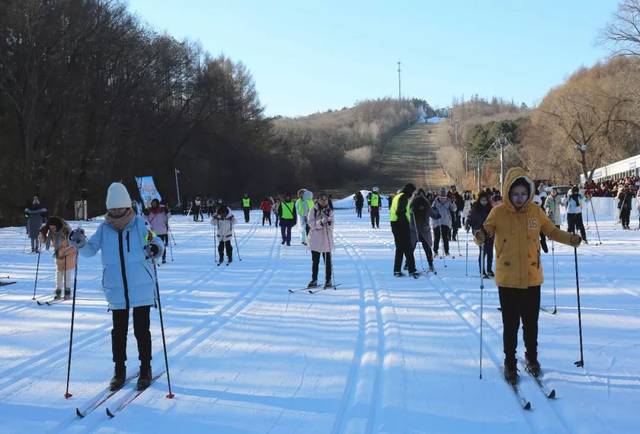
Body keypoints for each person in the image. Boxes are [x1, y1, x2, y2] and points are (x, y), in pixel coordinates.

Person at [474, 168, 581, 385]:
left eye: (523, 193)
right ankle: (510, 362)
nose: (519, 198)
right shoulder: (498, 212)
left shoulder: (535, 211)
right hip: (508, 278)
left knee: (531, 323)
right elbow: (486, 231)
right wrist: (480, 236)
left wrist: (570, 238)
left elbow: (551, 231)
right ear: (508, 193)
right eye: (515, 194)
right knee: (510, 324)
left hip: (532, 277)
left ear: (529, 192)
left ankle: (531, 358)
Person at [68, 182, 165, 392]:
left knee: (141, 330)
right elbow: (90, 250)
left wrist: (155, 248)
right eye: (113, 210)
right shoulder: (104, 228)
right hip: (116, 288)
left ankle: (145, 368)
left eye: (120, 209)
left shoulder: (140, 224)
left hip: (141, 287)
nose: (117, 213)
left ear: (127, 207)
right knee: (118, 332)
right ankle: (119, 370)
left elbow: (156, 241)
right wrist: (80, 243)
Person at [39, 216, 77, 299]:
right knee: (59, 274)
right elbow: (44, 241)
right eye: (50, 227)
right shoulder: (51, 233)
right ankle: (58, 292)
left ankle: (67, 293)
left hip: (68, 254)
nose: (52, 229)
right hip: (59, 255)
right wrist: (42, 234)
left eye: (53, 227)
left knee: (67, 274)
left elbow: (73, 244)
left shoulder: (66, 231)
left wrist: (66, 251)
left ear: (57, 225)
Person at [390, 183, 419, 278]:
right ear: (409, 191)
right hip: (401, 225)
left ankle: (397, 270)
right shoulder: (403, 197)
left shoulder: (397, 196)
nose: (413, 194)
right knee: (408, 248)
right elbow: (400, 212)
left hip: (394, 224)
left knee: (399, 248)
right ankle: (412, 270)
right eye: (413, 192)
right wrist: (406, 223)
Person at [307, 193, 334, 288]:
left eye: (325, 199)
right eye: (322, 199)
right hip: (315, 239)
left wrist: (329, 221)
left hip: (326, 239)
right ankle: (314, 279)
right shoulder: (313, 210)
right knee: (315, 261)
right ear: (318, 200)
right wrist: (321, 222)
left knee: (327, 261)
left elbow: (332, 226)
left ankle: (328, 280)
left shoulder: (330, 211)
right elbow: (311, 224)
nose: (324, 201)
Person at [410, 189, 439, 273]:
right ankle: (408, 263)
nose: (421, 196)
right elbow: (406, 212)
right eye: (419, 194)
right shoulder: (412, 204)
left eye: (422, 194)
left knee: (427, 248)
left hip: (424, 230)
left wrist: (437, 215)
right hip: (414, 230)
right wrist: (410, 211)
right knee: (411, 248)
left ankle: (430, 264)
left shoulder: (427, 205)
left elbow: (432, 214)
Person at [467, 191, 494, 278]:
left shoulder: (490, 208)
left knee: (490, 252)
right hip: (480, 233)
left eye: (485, 200)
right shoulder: (475, 209)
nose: (484, 202)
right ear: (479, 200)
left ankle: (489, 269)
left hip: (489, 232)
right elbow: (470, 220)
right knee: (483, 252)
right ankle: (482, 271)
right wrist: (470, 224)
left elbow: (494, 219)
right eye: (482, 200)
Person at [431, 187, 457, 257]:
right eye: (441, 197)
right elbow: (432, 210)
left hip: (445, 222)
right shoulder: (435, 201)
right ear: (439, 196)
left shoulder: (449, 201)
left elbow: (454, 209)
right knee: (437, 237)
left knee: (445, 237)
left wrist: (453, 202)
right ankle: (435, 251)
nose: (443, 198)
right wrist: (435, 211)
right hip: (437, 222)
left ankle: (446, 251)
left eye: (444, 197)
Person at [145, 199, 171, 264]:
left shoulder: (163, 211)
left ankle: (163, 258)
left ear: (157, 203)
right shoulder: (150, 211)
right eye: (152, 203)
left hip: (162, 231)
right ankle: (154, 258)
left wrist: (167, 211)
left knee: (162, 245)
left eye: (155, 203)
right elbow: (145, 220)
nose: (153, 204)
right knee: (153, 245)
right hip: (152, 232)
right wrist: (145, 214)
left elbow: (168, 217)